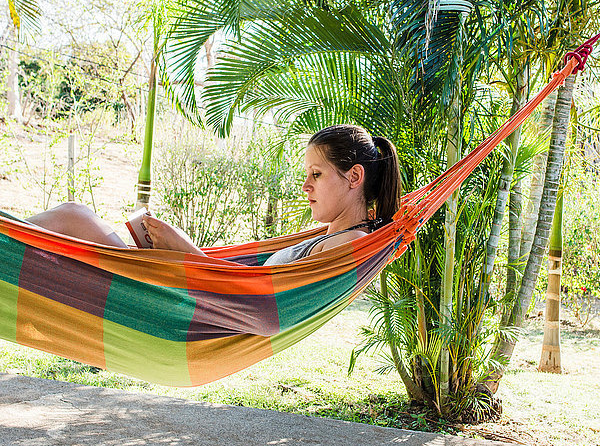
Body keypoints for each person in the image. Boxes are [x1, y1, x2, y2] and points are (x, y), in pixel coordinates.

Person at [26, 125, 402, 264]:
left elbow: (251, 303)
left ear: (354, 176)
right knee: (71, 220)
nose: (306, 186)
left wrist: (183, 248)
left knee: (73, 216)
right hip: (195, 292)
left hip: (189, 307)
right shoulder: (332, 238)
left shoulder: (348, 243)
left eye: (316, 175)